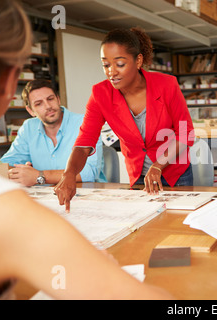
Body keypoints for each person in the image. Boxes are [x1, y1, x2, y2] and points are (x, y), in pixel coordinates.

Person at [0, 0, 171, 300]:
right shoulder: (8, 214)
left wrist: (41, 175)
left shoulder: (160, 88)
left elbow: (90, 166)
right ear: (11, 83)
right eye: (107, 65)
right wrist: (94, 272)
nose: (112, 72)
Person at [54, 27, 194, 210]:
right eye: (106, 65)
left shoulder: (166, 85)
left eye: (119, 64)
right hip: (138, 177)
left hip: (176, 173)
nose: (112, 72)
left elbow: (185, 133)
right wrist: (69, 173)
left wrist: (158, 166)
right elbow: (85, 141)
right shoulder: (100, 94)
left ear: (138, 61)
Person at [0, 79, 107, 186]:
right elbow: (6, 164)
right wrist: (21, 172)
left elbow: (89, 173)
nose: (48, 106)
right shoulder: (28, 127)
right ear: (30, 111)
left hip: (87, 194)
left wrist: (38, 175)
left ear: (58, 99)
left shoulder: (85, 123)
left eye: (50, 99)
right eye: (39, 104)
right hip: (46, 197)